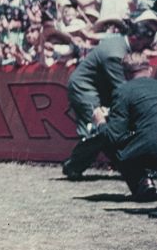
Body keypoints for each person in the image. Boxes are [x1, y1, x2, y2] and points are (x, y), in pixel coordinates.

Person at [63, 16, 156, 179]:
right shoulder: (115, 54)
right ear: (134, 38)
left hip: (98, 86)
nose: (147, 47)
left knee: (105, 128)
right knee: (99, 129)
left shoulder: (120, 44)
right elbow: (126, 90)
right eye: (145, 43)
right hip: (85, 88)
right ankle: (75, 165)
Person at [99, 52, 157, 201]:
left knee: (109, 140)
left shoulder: (123, 92)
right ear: (150, 69)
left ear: (125, 74)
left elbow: (114, 135)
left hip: (150, 150)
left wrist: (100, 122)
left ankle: (142, 183)